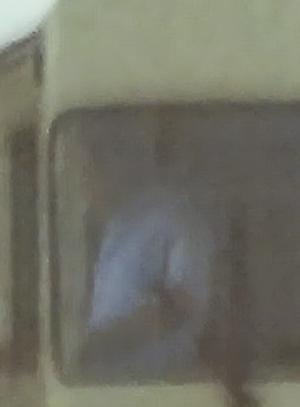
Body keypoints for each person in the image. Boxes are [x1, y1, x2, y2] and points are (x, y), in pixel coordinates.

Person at [78, 118, 218, 378]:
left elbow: (184, 302)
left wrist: (104, 345)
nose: (83, 181)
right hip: (111, 386)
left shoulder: (171, 217)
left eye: (89, 169)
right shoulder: (117, 224)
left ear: (116, 163)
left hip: (159, 386)